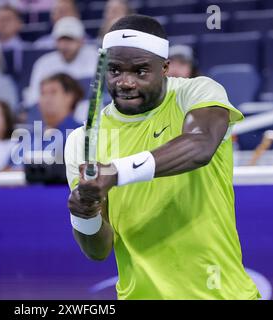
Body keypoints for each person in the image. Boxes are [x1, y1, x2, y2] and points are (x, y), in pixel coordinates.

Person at [65, 15, 260, 300]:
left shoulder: (197, 92)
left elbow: (200, 145)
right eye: (115, 70)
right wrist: (84, 214)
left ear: (165, 68)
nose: (126, 82)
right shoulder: (79, 141)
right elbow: (99, 250)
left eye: (141, 71)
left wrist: (116, 172)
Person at [26, 16, 98, 106]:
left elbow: (99, 92)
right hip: (53, 110)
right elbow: (34, 95)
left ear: (81, 41)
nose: (64, 46)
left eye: (70, 40)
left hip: (85, 108)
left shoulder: (93, 57)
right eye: (61, 40)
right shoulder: (44, 63)